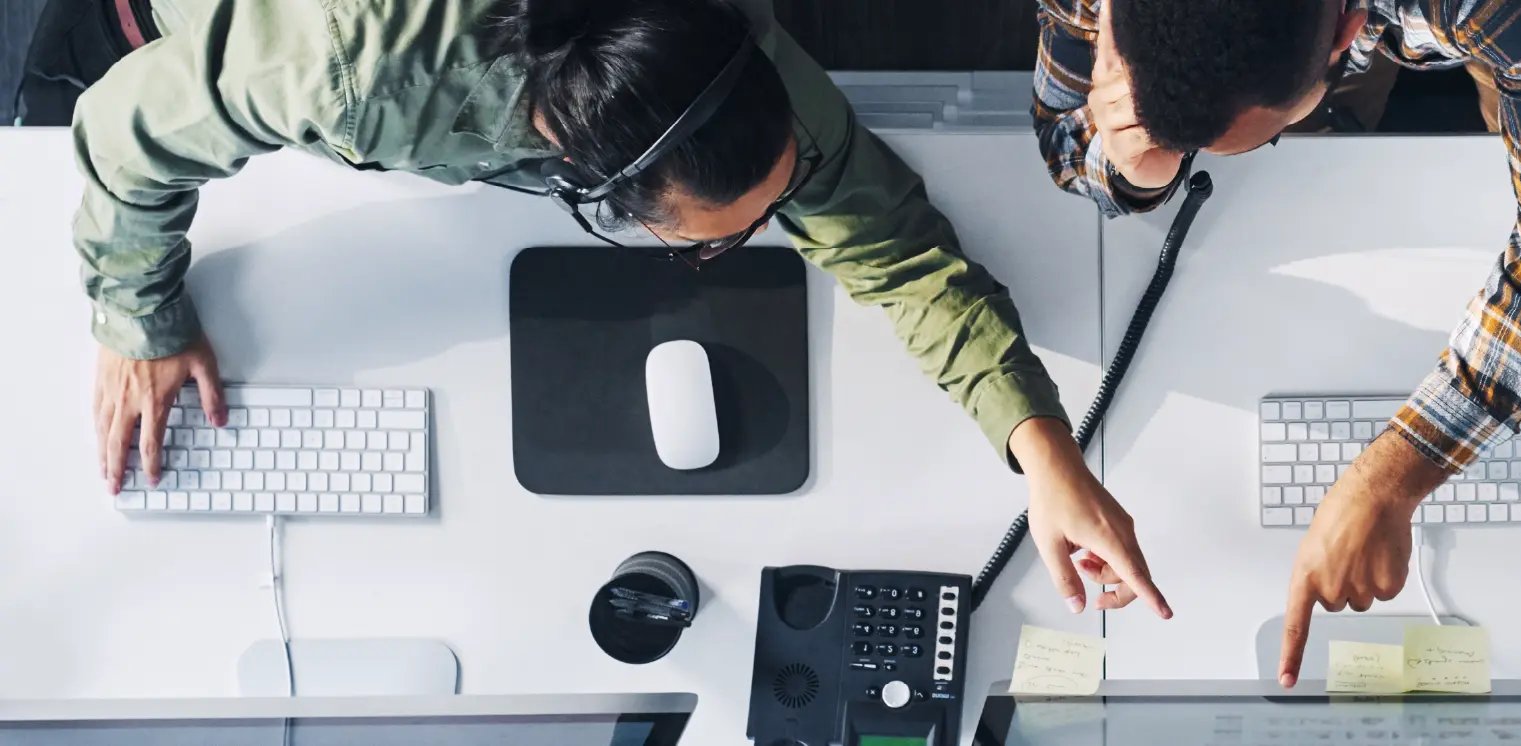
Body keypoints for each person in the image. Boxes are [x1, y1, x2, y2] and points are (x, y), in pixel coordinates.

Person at [54, 0, 1170, 620]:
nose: (784, 219)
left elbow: (890, 246)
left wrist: (1044, 453)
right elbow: (123, 131)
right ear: (602, 198)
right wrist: (135, 313)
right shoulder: (350, 72)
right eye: (729, 231)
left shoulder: (721, 55)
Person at [1032, 0, 1521, 685]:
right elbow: (1064, 137)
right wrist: (1134, 165)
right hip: (1326, 50)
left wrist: (1393, 478)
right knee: (1309, 121)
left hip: (1469, 32)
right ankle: (1324, 110)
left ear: (1347, 34)